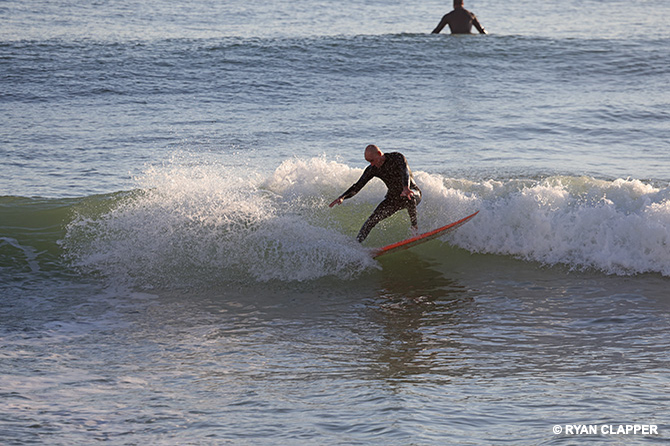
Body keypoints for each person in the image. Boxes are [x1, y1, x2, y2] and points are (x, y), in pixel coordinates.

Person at [329, 145, 422, 243]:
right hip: (394, 198)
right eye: (369, 162)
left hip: (412, 191)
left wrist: (406, 188)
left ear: (379, 153)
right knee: (371, 220)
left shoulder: (396, 157)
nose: (372, 164)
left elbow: (405, 172)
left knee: (409, 197)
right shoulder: (373, 169)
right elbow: (357, 186)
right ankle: (356, 244)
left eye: (372, 160)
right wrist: (343, 197)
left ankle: (414, 229)